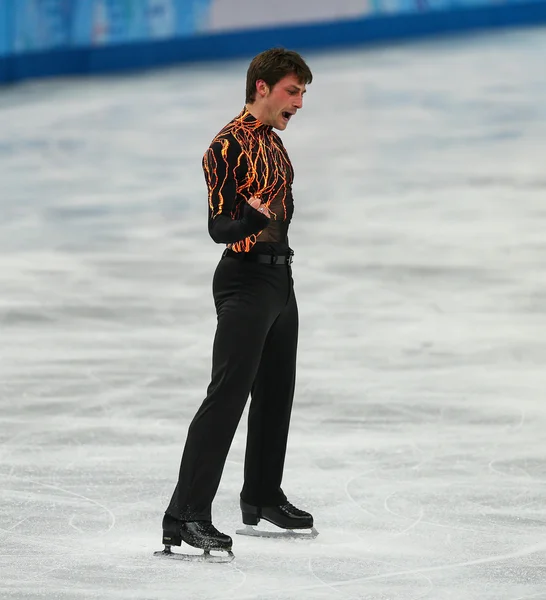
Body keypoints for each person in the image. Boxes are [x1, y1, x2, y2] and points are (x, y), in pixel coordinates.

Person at [160, 48, 314, 558]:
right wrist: (250, 218)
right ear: (263, 87)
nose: (298, 102)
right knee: (227, 397)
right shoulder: (225, 147)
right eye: (292, 91)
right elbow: (218, 228)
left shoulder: (272, 142)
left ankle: (263, 494)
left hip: (279, 279)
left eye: (302, 94)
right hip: (244, 280)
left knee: (276, 391)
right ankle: (185, 515)